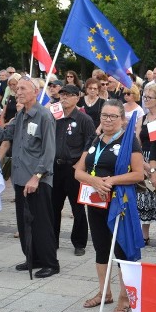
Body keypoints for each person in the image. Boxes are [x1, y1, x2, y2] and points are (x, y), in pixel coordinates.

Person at [75, 100, 145, 312]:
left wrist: (111, 181)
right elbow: (78, 171)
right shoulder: (95, 139)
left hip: (118, 202)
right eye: (104, 115)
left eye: (113, 116)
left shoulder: (129, 140)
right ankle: (104, 291)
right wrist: (95, 181)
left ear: (122, 119)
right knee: (100, 246)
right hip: (95, 200)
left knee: (121, 247)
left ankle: (125, 295)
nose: (107, 119)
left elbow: (138, 174)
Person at [0, 76, 59, 278]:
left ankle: (50, 263)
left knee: (41, 222)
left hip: (37, 180)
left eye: (23, 88)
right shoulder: (21, 114)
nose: (18, 92)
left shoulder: (44, 116)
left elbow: (49, 152)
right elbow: (3, 134)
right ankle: (32, 257)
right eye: (17, 89)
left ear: (35, 92)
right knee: (24, 222)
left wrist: (36, 177)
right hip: (20, 179)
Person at [52, 84, 96, 256]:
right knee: (53, 207)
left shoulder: (84, 119)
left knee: (77, 208)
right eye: (62, 95)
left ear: (77, 98)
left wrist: (81, 165)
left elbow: (91, 142)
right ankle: (52, 240)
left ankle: (79, 242)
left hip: (74, 168)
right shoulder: (55, 116)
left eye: (68, 95)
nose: (64, 98)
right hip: (55, 167)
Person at [137, 84, 156, 242]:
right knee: (144, 199)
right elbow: (136, 143)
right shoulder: (142, 118)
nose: (146, 100)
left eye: (149, 97)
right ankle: (144, 235)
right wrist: (141, 163)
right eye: (145, 97)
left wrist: (153, 168)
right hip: (142, 159)